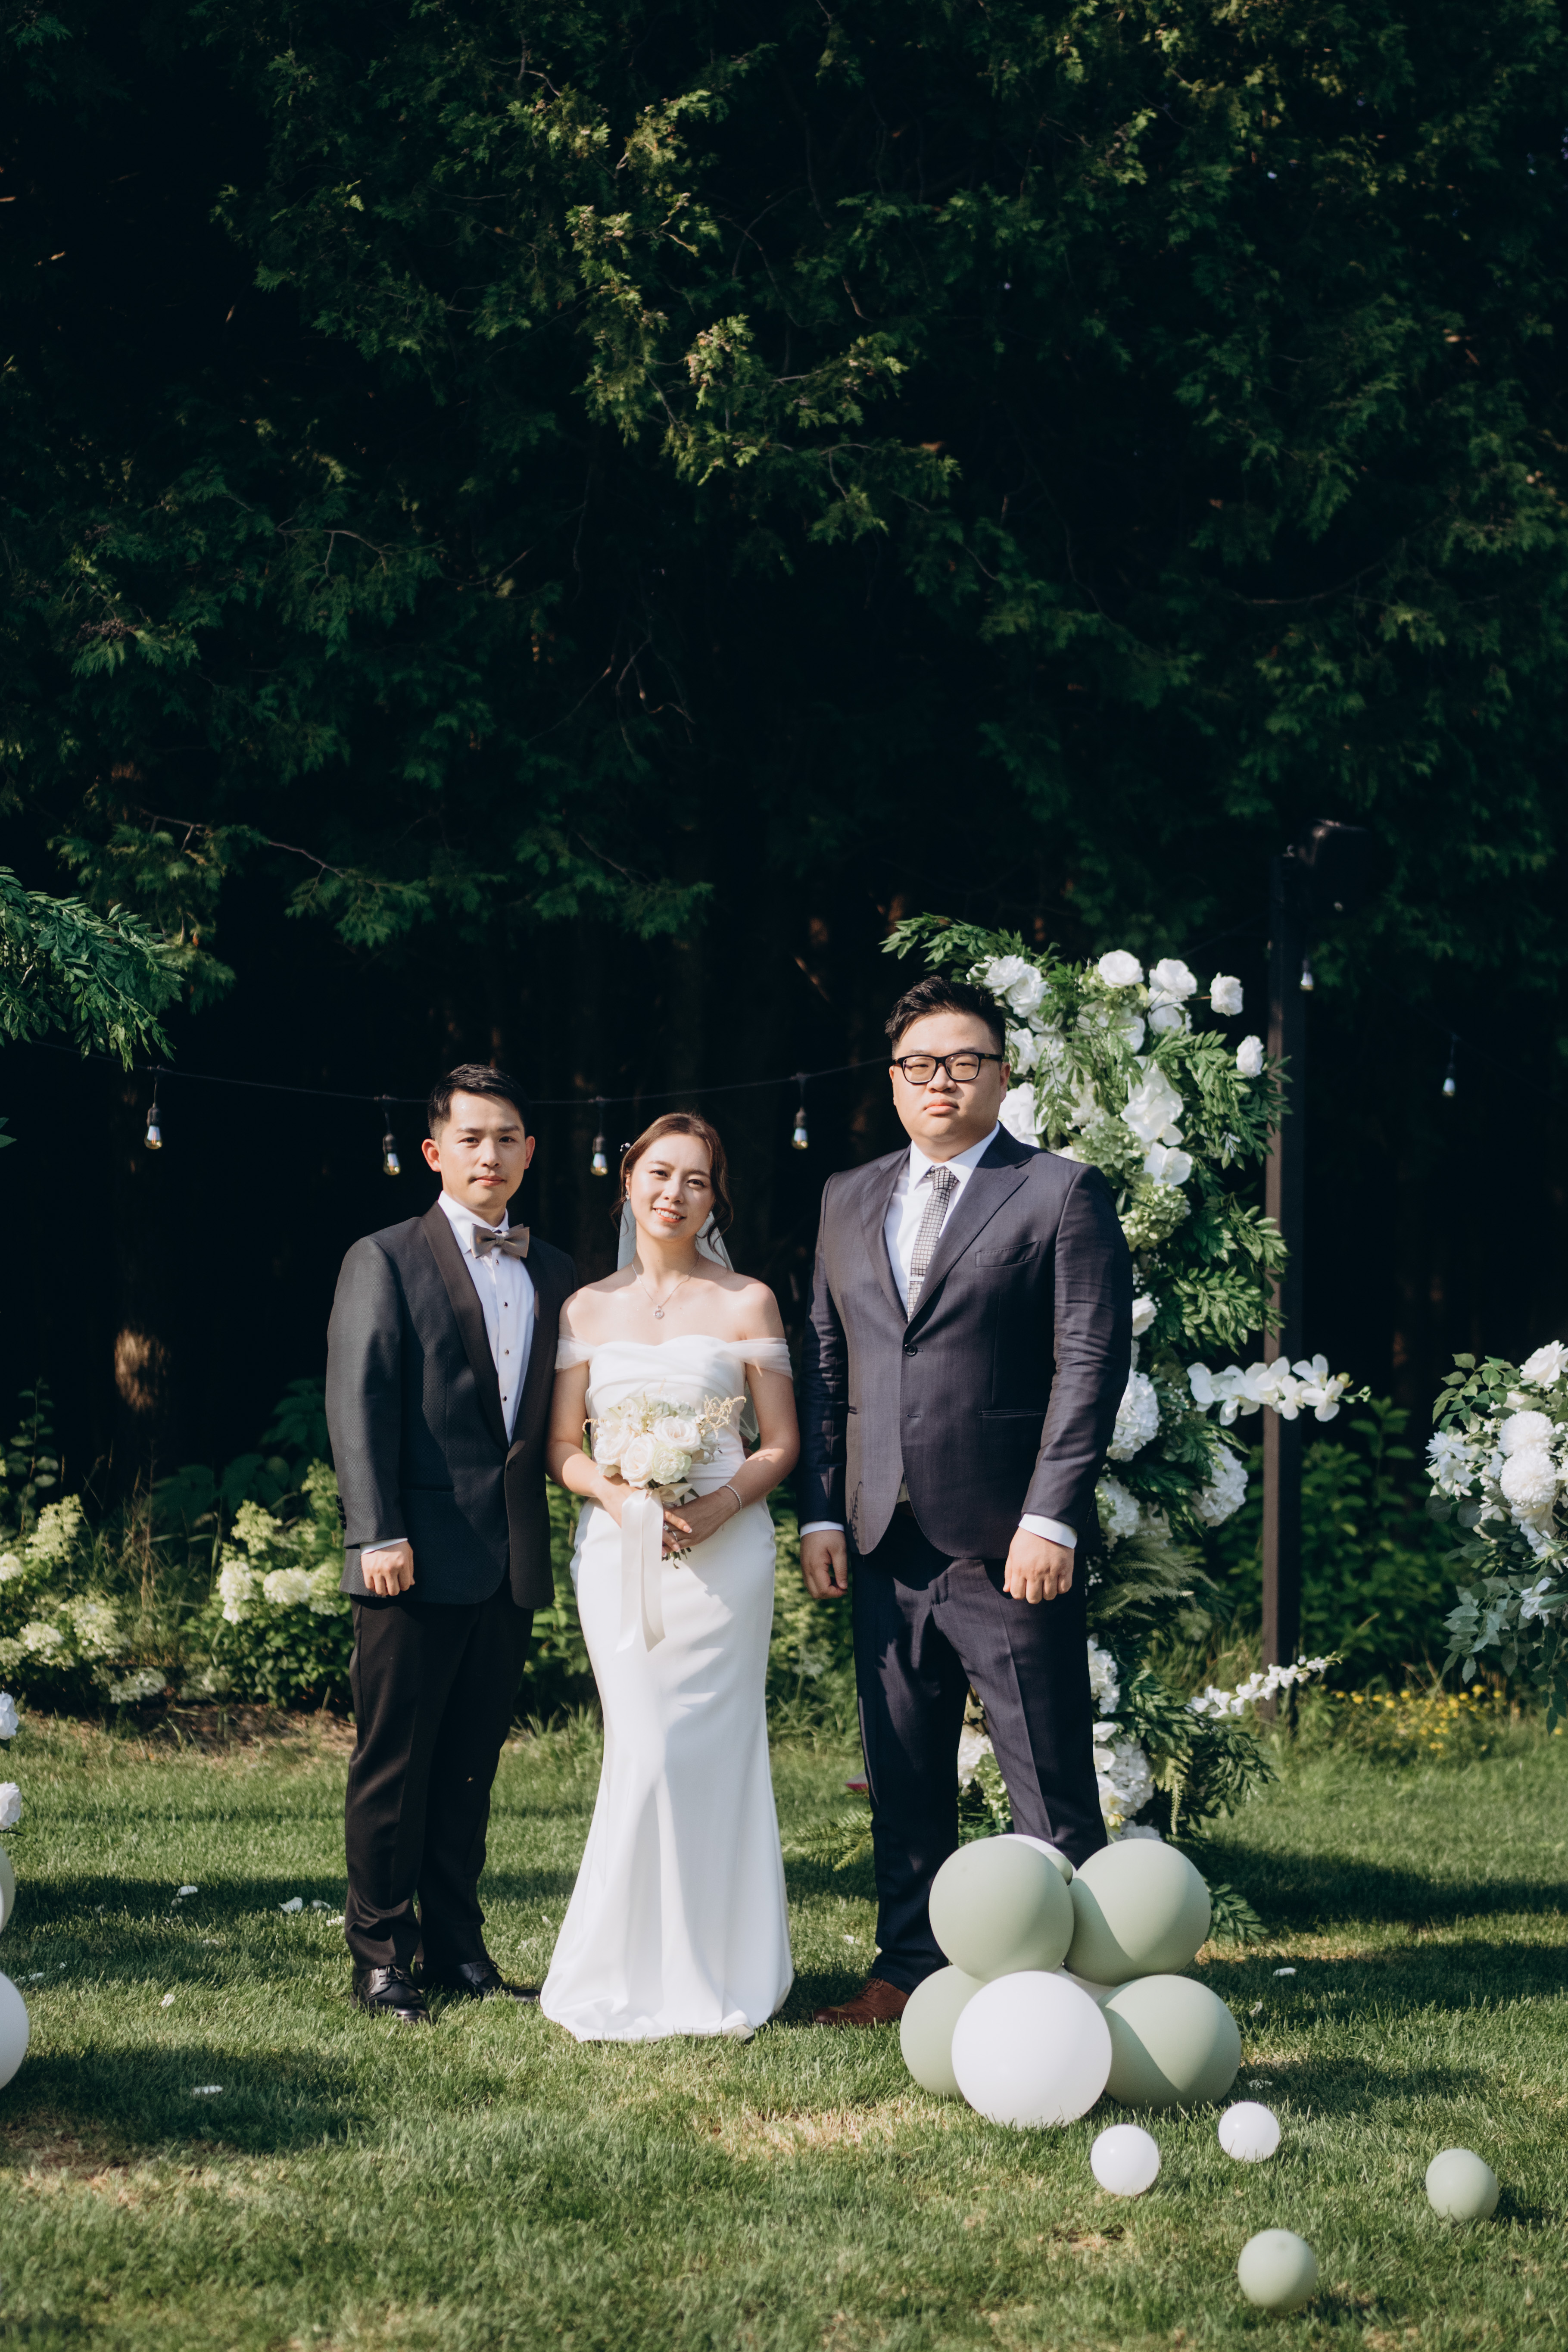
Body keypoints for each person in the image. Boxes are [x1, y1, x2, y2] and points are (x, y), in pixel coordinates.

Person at [798, 973, 1132, 2027]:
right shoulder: (846, 1195)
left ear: (1000, 1072)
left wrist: (1050, 1515)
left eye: (961, 1061)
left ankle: (1078, 1979)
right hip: (879, 1533)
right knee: (901, 1773)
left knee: (1045, 1773)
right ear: (892, 1079)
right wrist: (820, 1510)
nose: (938, 1080)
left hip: (1004, 1539)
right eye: (917, 1064)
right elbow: (824, 1361)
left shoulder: (1058, 1192)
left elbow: (1088, 1362)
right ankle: (908, 1970)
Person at [325, 1064, 577, 2024]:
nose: (490, 1154)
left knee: (471, 1767)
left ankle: (459, 1947)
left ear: (529, 1151)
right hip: (412, 1554)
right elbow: (360, 1400)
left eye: (507, 1137)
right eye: (471, 1138)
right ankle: (382, 1956)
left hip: (508, 1560)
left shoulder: (554, 1272)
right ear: (435, 1152)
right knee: (395, 1763)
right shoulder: (383, 1257)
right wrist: (375, 1531)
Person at [540, 1111, 799, 2041]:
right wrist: (616, 1495)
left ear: (713, 1197)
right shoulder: (585, 1309)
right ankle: (624, 1965)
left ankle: (725, 1963)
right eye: (659, 1173)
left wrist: (719, 1504)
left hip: (723, 1560)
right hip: (621, 1556)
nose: (674, 1193)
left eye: (695, 1179)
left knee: (714, 1752)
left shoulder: (747, 1302)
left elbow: (780, 1443)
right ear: (628, 1182)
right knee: (644, 1748)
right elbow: (561, 1444)